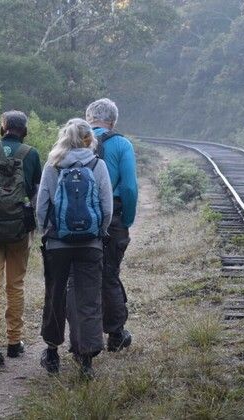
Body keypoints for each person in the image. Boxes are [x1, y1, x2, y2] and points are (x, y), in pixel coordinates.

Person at [36, 118, 113, 376]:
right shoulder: (97, 164)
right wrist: (100, 232)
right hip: (90, 243)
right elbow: (107, 207)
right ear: (90, 140)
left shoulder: (53, 166)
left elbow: (42, 207)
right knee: (88, 298)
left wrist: (46, 231)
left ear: (64, 138)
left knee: (55, 295)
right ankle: (86, 360)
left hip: (58, 244)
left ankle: (52, 353)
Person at [0, 111, 42, 367]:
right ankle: (14, 342)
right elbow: (35, 190)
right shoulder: (32, 154)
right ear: (24, 130)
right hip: (19, 230)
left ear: (2, 128)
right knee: (15, 285)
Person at [84, 98, 138, 351]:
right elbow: (128, 187)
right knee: (109, 275)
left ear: (88, 119)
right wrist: (126, 219)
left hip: (77, 219)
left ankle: (82, 334)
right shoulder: (121, 144)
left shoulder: (73, 140)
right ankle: (115, 334)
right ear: (113, 121)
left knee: (79, 277)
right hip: (113, 218)